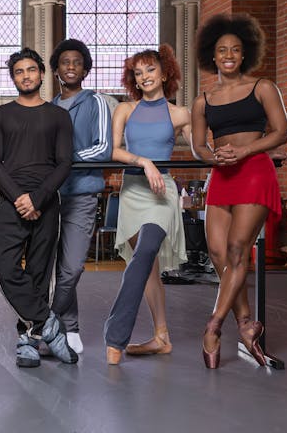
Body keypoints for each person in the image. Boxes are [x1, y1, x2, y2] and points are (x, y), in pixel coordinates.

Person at [191, 14, 287, 369]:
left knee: (237, 250)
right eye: (221, 50)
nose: (228, 55)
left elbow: (281, 132)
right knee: (218, 254)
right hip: (222, 175)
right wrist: (213, 156)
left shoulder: (263, 87)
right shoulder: (204, 100)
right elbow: (198, 144)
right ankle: (247, 326)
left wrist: (245, 151)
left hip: (253, 172)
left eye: (235, 49)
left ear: (244, 54)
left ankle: (213, 326)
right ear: (212, 56)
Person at [0, 48, 76, 368]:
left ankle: (29, 342)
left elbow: (65, 161)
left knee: (39, 274)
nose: (25, 76)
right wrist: (20, 198)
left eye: (30, 70)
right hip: (11, 202)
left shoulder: (58, 116)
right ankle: (49, 325)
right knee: (8, 270)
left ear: (41, 74)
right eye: (19, 71)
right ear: (13, 78)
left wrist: (37, 198)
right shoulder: (0, 115)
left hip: (47, 200)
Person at [102, 45, 190, 365]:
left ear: (164, 73)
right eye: (138, 73)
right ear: (134, 81)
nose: (145, 76)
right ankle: (162, 336)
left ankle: (115, 335)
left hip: (161, 193)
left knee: (144, 254)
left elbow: (206, 148)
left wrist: (254, 151)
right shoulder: (125, 110)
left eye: (150, 69)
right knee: (145, 264)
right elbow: (114, 151)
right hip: (134, 190)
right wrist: (144, 162)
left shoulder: (181, 114)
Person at [48, 39, 113, 355]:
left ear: (85, 69)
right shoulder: (49, 108)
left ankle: (43, 324)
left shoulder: (97, 102)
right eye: (64, 62)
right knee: (57, 267)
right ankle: (68, 327)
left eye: (76, 62)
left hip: (82, 195)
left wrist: (64, 158)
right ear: (56, 69)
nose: (70, 67)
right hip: (50, 197)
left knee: (72, 267)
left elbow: (103, 149)